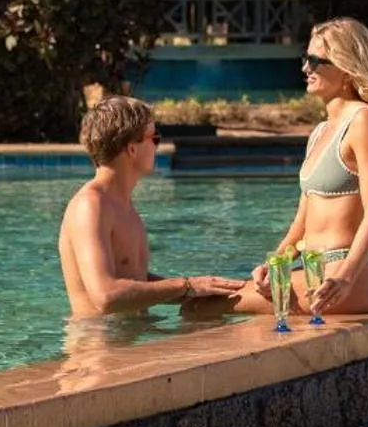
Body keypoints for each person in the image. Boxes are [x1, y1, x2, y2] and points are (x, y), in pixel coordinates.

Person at [236, 17, 368, 318]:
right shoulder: (321, 132)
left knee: (206, 306)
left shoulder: (365, 121)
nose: (305, 68)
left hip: (343, 280)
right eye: (305, 59)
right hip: (314, 273)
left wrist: (345, 278)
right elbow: (302, 223)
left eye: (314, 60)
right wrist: (274, 266)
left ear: (346, 67)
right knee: (204, 304)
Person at [59, 95, 245, 317]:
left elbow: (135, 281)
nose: (158, 146)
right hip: (99, 346)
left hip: (130, 341)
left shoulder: (122, 205)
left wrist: (197, 290)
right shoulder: (90, 206)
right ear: (132, 149)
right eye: (154, 138)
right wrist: (185, 285)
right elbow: (105, 296)